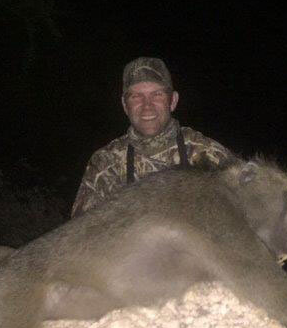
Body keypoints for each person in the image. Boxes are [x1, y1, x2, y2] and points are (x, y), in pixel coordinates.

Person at [71, 57, 232, 217]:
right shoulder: (105, 163)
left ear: (173, 101)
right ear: (124, 105)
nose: (147, 106)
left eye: (157, 94)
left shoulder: (210, 155)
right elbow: (82, 233)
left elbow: (249, 212)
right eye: (136, 96)